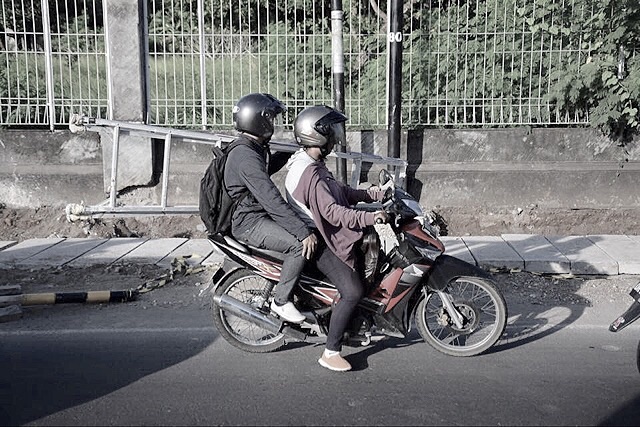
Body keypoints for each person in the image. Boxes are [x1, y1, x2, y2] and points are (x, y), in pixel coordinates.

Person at [285, 105, 388, 372]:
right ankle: (330, 351)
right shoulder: (312, 175)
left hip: (320, 230)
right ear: (317, 135)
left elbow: (339, 192)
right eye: (332, 131)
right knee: (353, 291)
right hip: (320, 238)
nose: (336, 137)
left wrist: (370, 195)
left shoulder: (311, 162)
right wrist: (369, 217)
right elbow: (332, 212)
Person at [224, 93, 317, 324]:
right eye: (271, 119)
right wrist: (302, 232)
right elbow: (271, 199)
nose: (274, 124)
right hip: (248, 223)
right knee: (298, 245)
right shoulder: (245, 155)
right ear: (260, 120)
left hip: (254, 215)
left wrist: (289, 151)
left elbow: (264, 170)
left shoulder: (253, 146)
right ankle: (281, 301)